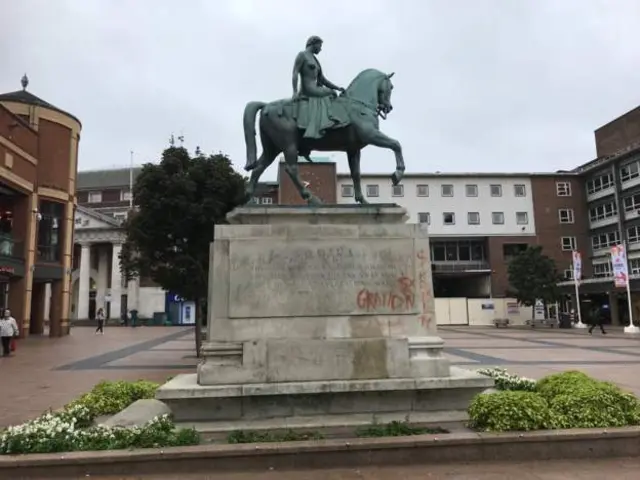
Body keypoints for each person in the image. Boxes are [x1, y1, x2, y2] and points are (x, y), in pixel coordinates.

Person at [291, 35, 346, 139]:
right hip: (307, 89)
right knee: (330, 93)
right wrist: (294, 92)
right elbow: (295, 73)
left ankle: (325, 120)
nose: (321, 48)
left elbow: (323, 80)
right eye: (319, 45)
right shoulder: (302, 55)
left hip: (315, 88)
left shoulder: (315, 60)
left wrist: (337, 88)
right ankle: (325, 122)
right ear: (313, 44)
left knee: (332, 92)